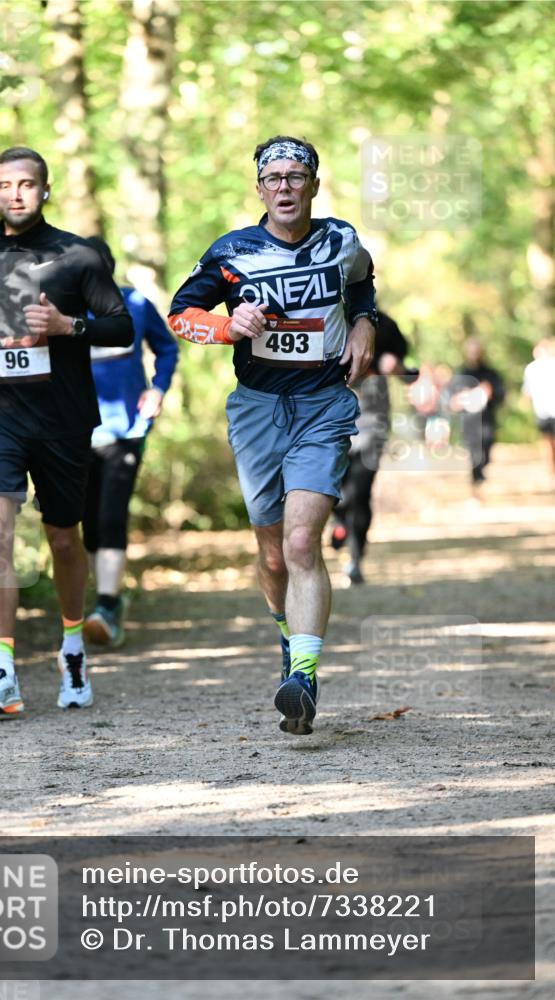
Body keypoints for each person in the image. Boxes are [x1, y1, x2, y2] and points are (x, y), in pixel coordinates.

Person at [168, 135, 377, 736]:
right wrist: (228, 325)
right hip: (258, 409)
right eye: (274, 178)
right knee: (271, 552)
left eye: (296, 176)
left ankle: (305, 675)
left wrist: (365, 323)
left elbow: (362, 282)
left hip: (323, 405)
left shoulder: (341, 240)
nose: (285, 187)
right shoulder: (233, 251)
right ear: (259, 188)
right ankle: (289, 641)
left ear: (314, 184)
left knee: (303, 541)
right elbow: (182, 314)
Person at [0, 147, 133, 718]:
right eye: (5, 184)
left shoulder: (79, 255)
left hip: (62, 418)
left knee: (61, 538)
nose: (16, 193)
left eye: (27, 183)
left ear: (44, 190)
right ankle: (3, 672)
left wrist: (66, 325)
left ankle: (73, 645)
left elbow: (120, 324)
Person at [81, 237, 178, 646]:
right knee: (86, 522)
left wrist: (157, 389)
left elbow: (167, 348)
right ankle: (108, 600)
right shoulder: (64, 313)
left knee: (110, 514)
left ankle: (106, 602)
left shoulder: (135, 304)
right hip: (77, 432)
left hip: (127, 429)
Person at [331, 310, 417, 584]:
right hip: (331, 414)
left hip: (373, 417)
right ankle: (339, 521)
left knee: (361, 491)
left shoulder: (387, 325)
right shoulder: (326, 314)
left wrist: (398, 368)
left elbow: (410, 373)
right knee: (334, 489)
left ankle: (355, 559)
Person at [448, 338, 505, 488]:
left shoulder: (491, 374)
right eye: (471, 351)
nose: (474, 354)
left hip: (486, 420)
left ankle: (481, 471)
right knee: (473, 451)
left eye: (476, 351)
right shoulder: (460, 375)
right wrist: (459, 399)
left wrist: (490, 393)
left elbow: (501, 395)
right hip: (468, 421)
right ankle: (476, 479)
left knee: (486, 448)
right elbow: (450, 400)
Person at [522, 337, 555, 476]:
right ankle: (551, 471)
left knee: (548, 442)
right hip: (542, 411)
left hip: (547, 410)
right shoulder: (531, 368)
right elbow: (527, 391)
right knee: (547, 442)